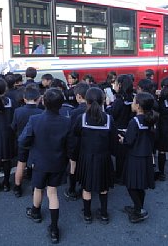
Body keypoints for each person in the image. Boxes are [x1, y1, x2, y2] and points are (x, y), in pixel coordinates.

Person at [19, 88, 75, 244]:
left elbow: (23, 141)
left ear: (43, 101)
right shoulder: (67, 121)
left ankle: (35, 211)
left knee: (38, 188)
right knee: (52, 192)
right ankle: (54, 228)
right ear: (61, 104)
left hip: (39, 162)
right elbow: (71, 147)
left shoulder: (35, 120)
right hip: (58, 162)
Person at [73, 87, 116, 224]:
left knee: (87, 187)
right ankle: (104, 214)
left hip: (86, 158)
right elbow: (113, 140)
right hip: (103, 158)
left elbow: (76, 135)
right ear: (103, 100)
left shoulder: (82, 118)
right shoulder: (109, 119)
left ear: (87, 101)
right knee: (103, 188)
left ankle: (87, 215)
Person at [119, 92, 158, 223]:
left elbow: (129, 142)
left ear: (138, 106)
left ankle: (139, 210)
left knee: (131, 185)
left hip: (135, 158)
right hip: (146, 156)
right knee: (140, 185)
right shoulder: (151, 120)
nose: (132, 103)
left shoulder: (134, 121)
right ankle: (137, 207)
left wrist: (122, 139)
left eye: (134, 100)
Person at [11, 84, 43, 197]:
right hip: (37, 143)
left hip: (22, 141)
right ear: (39, 98)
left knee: (21, 164)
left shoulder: (18, 111)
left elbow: (13, 127)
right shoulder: (41, 112)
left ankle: (17, 187)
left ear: (24, 99)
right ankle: (35, 188)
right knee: (35, 165)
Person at [107, 74, 135, 184]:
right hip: (130, 128)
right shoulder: (132, 96)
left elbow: (112, 114)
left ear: (120, 85)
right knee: (126, 154)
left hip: (119, 130)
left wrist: (109, 105)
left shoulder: (119, 100)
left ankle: (120, 176)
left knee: (119, 156)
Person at [64, 82, 89, 201]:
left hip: (75, 144)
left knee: (73, 166)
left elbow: (71, 130)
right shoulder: (95, 110)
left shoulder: (74, 112)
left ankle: (72, 189)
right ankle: (85, 187)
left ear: (79, 96)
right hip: (88, 144)